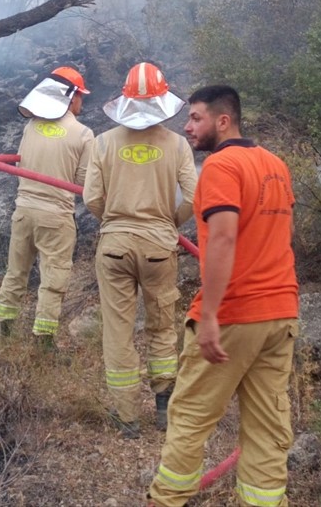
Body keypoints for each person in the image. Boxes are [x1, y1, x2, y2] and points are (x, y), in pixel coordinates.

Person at [147, 85, 299, 507]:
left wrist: (210, 313)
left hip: (235, 313)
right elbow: (277, 236)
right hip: (280, 313)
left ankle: (166, 501)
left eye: (196, 118)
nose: (188, 125)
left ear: (223, 120)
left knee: (190, 417)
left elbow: (224, 239)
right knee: (268, 428)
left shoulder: (221, 166)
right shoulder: (274, 165)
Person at [83, 62, 199, 439]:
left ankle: (127, 416)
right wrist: (169, 222)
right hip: (159, 248)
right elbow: (195, 198)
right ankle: (164, 404)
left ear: (126, 100)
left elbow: (90, 199)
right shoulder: (178, 144)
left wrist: (114, 221)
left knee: (117, 331)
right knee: (162, 323)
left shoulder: (102, 143)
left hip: (114, 247)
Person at [0, 65, 95, 354]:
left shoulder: (32, 125)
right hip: (56, 216)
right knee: (53, 280)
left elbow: (23, 163)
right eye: (80, 97)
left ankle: (3, 328)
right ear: (70, 96)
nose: (81, 103)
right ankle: (44, 341)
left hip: (23, 211)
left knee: (15, 272)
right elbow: (84, 182)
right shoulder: (83, 133)